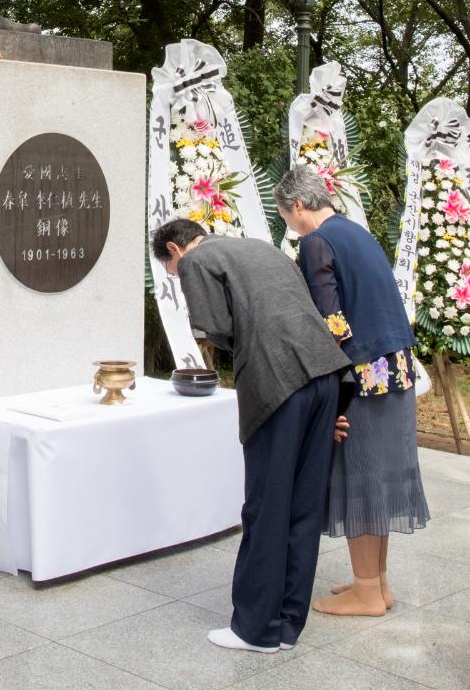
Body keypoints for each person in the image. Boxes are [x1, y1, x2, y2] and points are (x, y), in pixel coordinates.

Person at [152, 218, 350, 654]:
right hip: (326, 374)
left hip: (279, 380)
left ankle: (256, 628)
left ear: (175, 249)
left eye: (171, 271)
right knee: (303, 504)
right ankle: (287, 624)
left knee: (267, 502)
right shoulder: (258, 247)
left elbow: (216, 325)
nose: (178, 277)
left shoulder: (197, 259)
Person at [274, 167, 429, 617]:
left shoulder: (317, 242)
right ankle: (376, 583)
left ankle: (367, 592)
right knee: (379, 474)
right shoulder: (354, 232)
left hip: (363, 374)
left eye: (288, 216)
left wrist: (321, 391)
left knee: (362, 475)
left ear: (298, 205)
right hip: (395, 366)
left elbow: (332, 325)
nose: (291, 225)